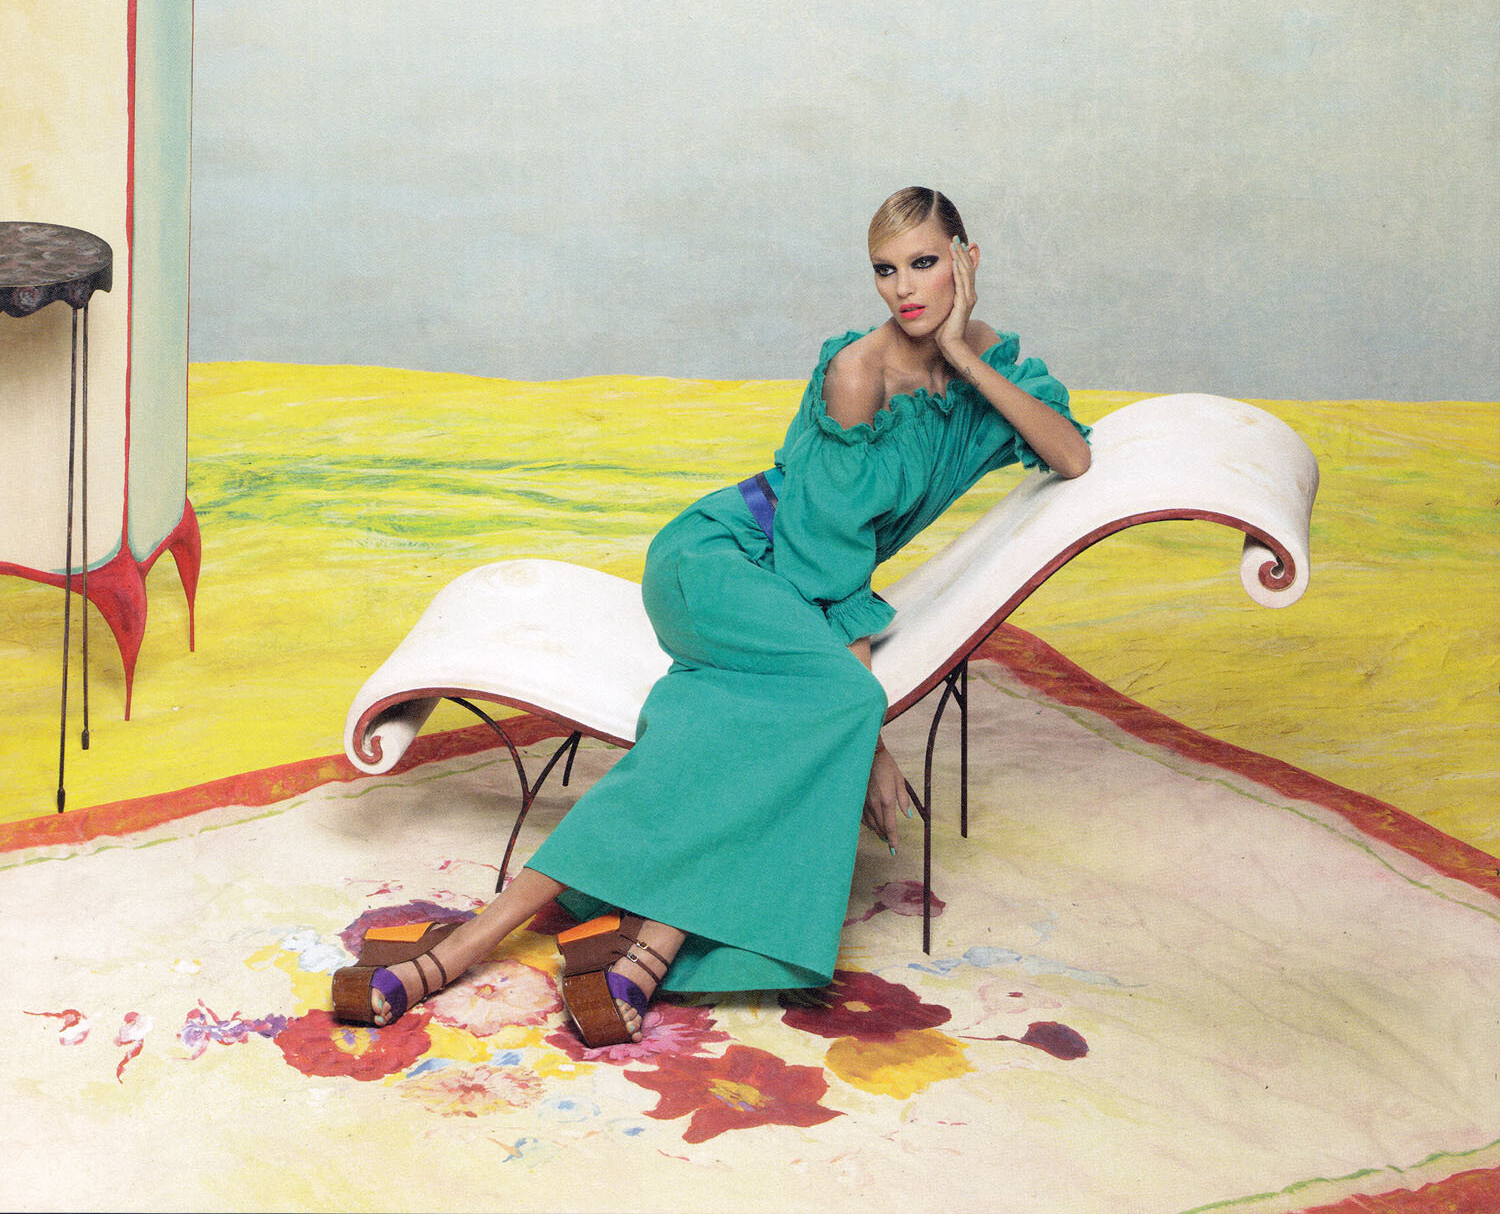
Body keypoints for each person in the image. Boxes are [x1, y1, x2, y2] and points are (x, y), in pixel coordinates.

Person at [332, 186, 1091, 1047]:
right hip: (723, 562)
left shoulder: (989, 365)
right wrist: (866, 737)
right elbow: (820, 569)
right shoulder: (858, 374)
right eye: (885, 270)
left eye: (924, 262)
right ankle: (580, 948)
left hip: (792, 588)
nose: (905, 288)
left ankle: (556, 944)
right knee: (843, 701)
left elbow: (1071, 453)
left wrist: (961, 353)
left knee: (728, 726)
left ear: (966, 258)